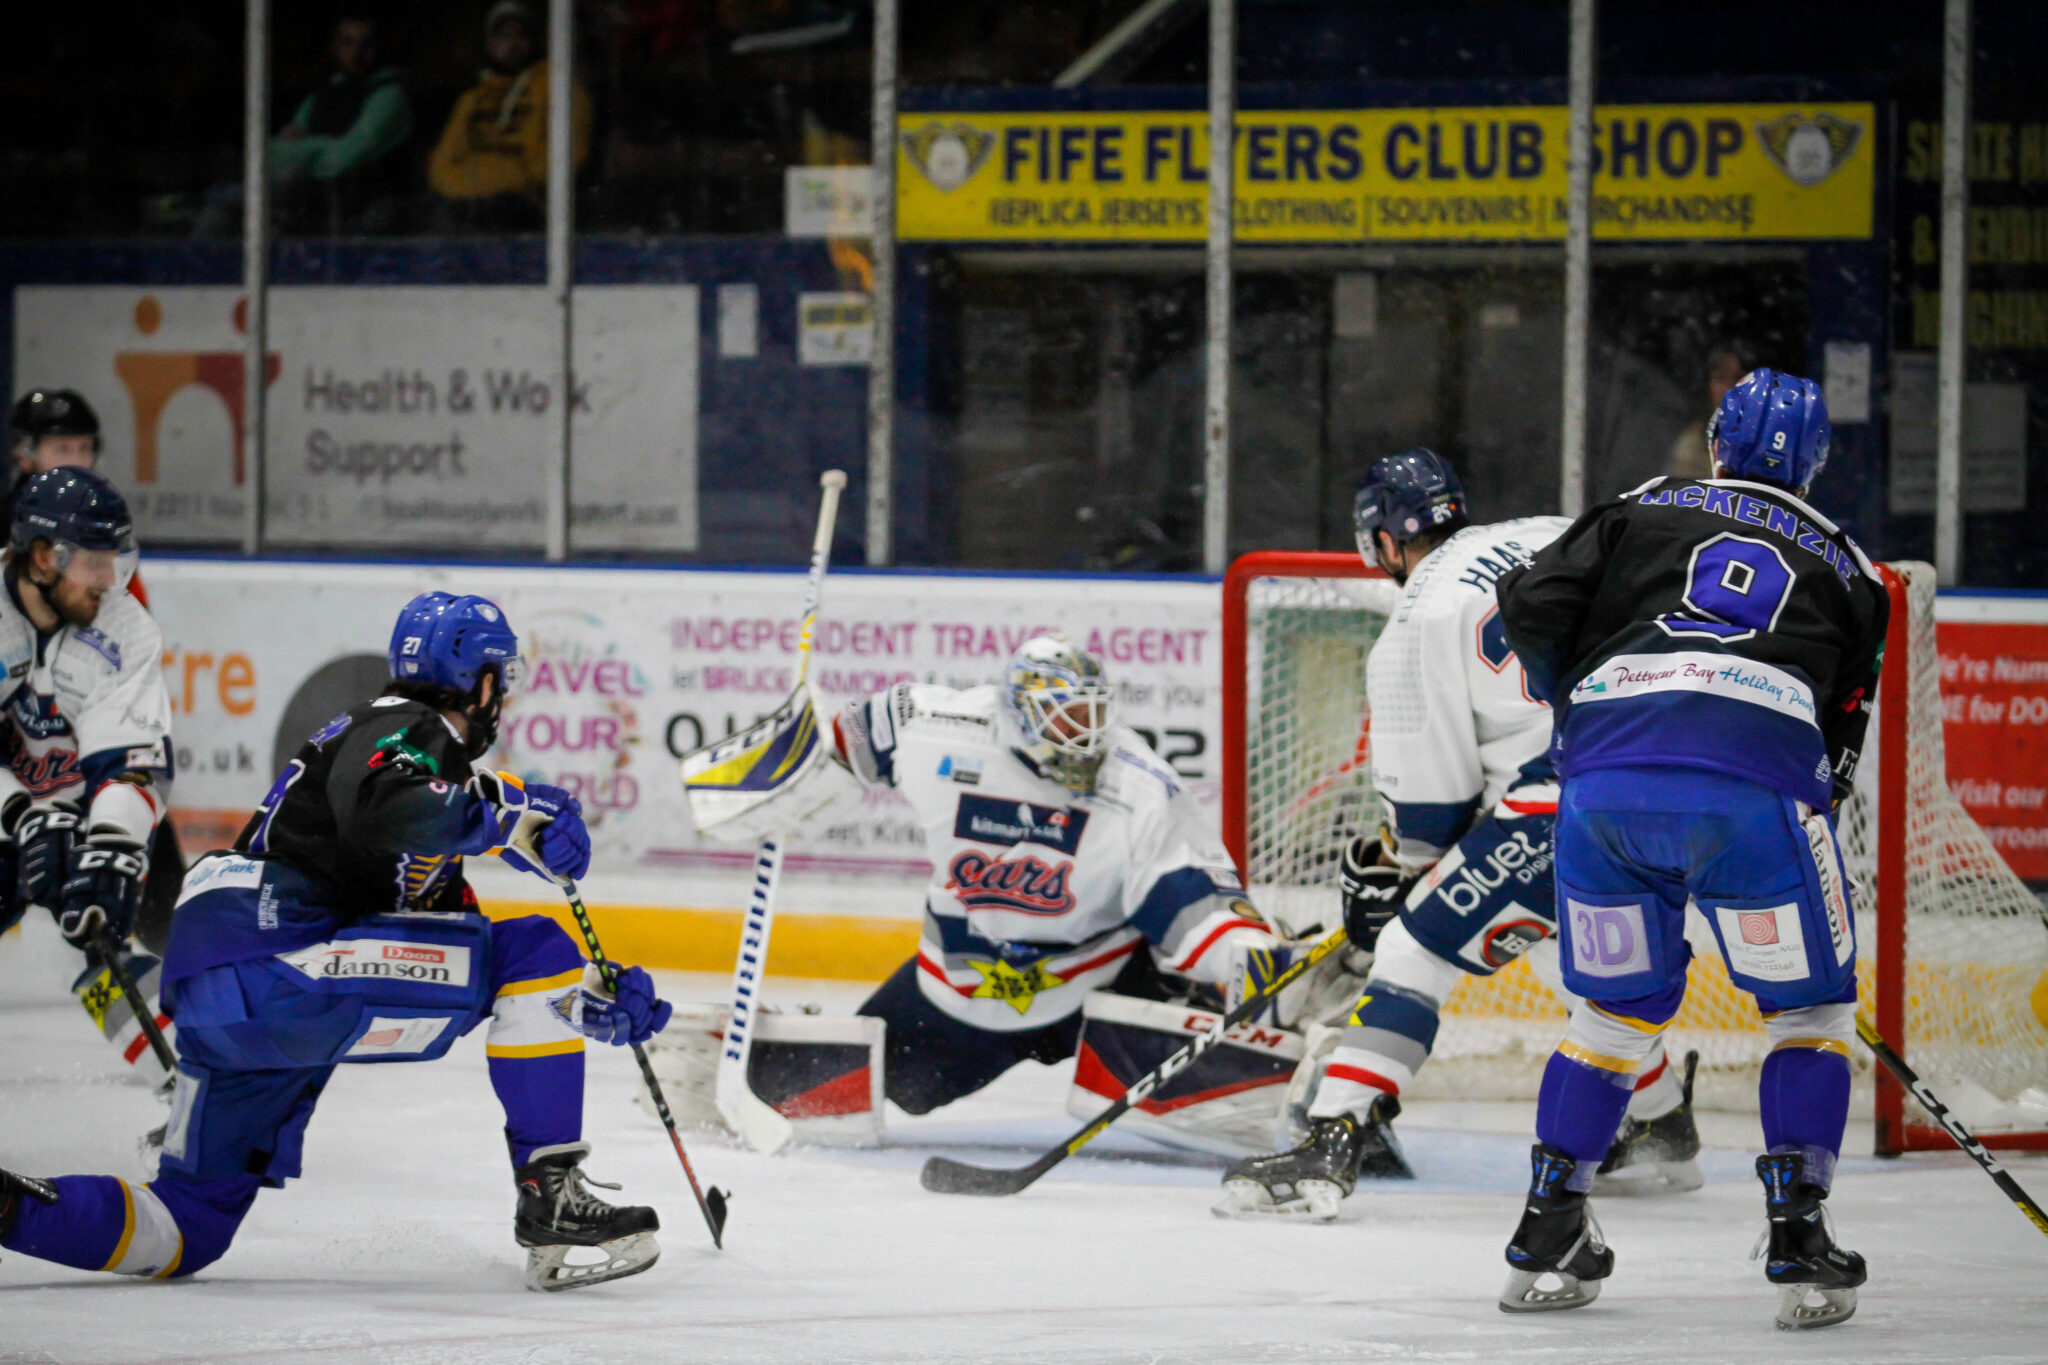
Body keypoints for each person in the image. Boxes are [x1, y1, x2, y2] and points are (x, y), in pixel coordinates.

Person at [0, 592, 675, 1291]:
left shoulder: (394, 764)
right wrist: (512, 825)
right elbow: (390, 810)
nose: (503, 697)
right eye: (501, 678)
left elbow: (452, 944)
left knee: (187, 1224)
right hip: (280, 957)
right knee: (536, 943)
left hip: (219, 988)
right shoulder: (409, 728)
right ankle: (553, 1197)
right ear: (479, 681)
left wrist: (582, 997)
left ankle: (13, 1210)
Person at [1493, 369, 1887, 1328]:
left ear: (1716, 442)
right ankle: (1798, 1233)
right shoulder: (1851, 566)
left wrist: (1573, 706)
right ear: (1818, 463)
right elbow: (1842, 728)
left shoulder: (1634, 508)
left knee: (1614, 1019)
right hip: (1755, 793)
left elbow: (1527, 603)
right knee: (1810, 1012)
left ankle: (1549, 1228)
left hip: (1605, 793)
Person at [1216, 449, 1700, 1221]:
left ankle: (1333, 1131)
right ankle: (1659, 1121)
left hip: (1575, 795)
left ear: (1380, 540)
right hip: (1691, 768)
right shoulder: (1549, 529)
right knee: (1561, 950)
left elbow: (1435, 816)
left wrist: (1405, 878)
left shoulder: (1415, 619)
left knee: (1416, 948)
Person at [810, 636, 1284, 1121]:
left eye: (1092, 715)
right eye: (1066, 717)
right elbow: (842, 741)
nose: (1086, 734)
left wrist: (1251, 957)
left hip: (1099, 990)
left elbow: (1191, 898)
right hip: (963, 986)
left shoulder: (1138, 787)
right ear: (1018, 715)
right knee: (837, 1091)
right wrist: (785, 784)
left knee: (1209, 1076)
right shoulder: (939, 730)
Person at [0, 468, 175, 1081]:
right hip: (12, 806)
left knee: (98, 918)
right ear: (44, 558)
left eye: (115, 561)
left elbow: (132, 764)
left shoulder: (125, 630)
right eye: (92, 563)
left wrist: (112, 845)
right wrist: (20, 814)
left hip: (71, 806)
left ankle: (185, 1082)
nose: (109, 580)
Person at [427, 1, 591, 232]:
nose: (512, 44)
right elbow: (442, 165)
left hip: (530, 204)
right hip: (466, 203)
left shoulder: (559, 86)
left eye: (521, 35)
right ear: (489, 42)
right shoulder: (473, 96)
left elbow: (571, 154)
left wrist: (515, 181)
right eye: (503, 36)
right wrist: (470, 189)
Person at [269, 9, 416, 235]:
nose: (357, 53)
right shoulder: (319, 97)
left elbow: (342, 159)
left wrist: (305, 147)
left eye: (367, 44)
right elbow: (273, 154)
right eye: (347, 43)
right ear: (334, 47)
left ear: (380, 47)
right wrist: (327, 145)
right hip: (319, 208)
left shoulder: (389, 97)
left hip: (369, 212)